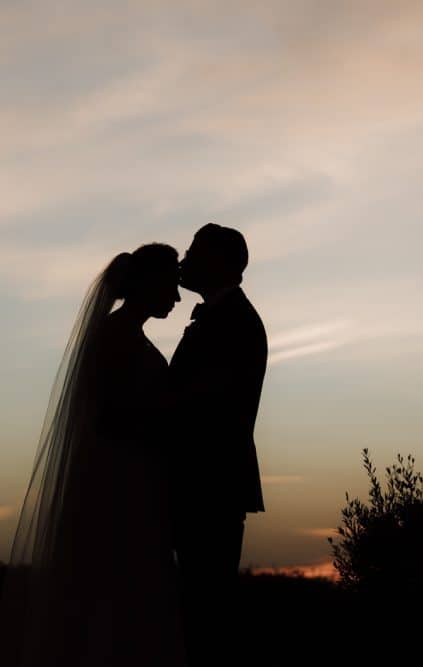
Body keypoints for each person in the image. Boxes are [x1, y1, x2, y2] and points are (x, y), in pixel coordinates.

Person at [0, 243, 186, 667]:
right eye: (171, 285)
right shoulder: (115, 339)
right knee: (111, 600)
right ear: (148, 284)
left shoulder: (127, 336)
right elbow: (110, 417)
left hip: (136, 483)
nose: (177, 296)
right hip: (118, 488)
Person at [169, 224, 268, 665]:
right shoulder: (220, 316)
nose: (183, 261)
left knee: (206, 610)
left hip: (210, 484)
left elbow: (207, 404)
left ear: (219, 262)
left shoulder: (237, 322)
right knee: (197, 606)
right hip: (200, 484)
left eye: (192, 252)